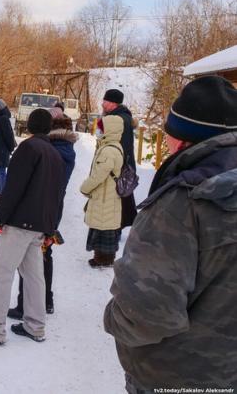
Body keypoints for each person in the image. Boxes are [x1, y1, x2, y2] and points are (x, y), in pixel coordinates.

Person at [104, 76, 237, 393]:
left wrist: (113, 317)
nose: (167, 142)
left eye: (171, 135)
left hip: (180, 376)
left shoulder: (185, 202)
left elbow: (148, 313)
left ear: (186, 140)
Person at [0, 109, 65, 346]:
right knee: (34, 276)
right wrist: (50, 227)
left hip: (19, 223)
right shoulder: (54, 154)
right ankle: (35, 326)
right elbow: (58, 195)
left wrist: (0, 217)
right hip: (38, 226)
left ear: (29, 126)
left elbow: (14, 186)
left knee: (3, 273)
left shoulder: (28, 148)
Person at [10, 107, 76, 317]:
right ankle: (45, 300)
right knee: (42, 254)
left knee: (32, 257)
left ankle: (27, 305)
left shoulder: (53, 151)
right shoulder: (64, 149)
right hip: (53, 206)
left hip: (43, 208)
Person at [80, 115, 124, 267]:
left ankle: (103, 259)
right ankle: (103, 258)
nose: (98, 130)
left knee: (103, 228)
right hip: (108, 195)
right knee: (105, 226)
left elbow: (98, 175)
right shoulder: (114, 146)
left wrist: (85, 188)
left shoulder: (108, 151)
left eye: (101, 128)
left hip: (105, 195)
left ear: (109, 130)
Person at [102, 89, 138, 230]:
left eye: (105, 101)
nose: (102, 104)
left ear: (112, 103)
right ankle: (119, 224)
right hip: (123, 163)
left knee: (118, 197)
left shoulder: (118, 119)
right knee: (123, 196)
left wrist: (112, 163)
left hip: (120, 164)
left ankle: (116, 227)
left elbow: (119, 143)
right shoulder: (122, 117)